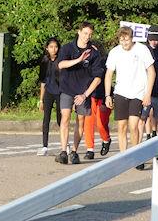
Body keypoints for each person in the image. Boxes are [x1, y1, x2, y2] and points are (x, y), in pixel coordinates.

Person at [104, 27, 156, 170]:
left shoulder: (142, 50)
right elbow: (109, 74)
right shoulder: (114, 52)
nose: (124, 42)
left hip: (138, 93)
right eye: (122, 39)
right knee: (122, 126)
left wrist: (147, 93)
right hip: (121, 92)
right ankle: (123, 157)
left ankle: (136, 156)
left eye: (127, 39)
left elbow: (151, 72)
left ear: (132, 38)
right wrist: (107, 95)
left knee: (134, 126)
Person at [56, 22, 105, 165]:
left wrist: (85, 94)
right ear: (79, 32)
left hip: (83, 92)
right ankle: (63, 151)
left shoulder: (94, 53)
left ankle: (74, 151)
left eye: (90, 34)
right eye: (85, 33)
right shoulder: (67, 48)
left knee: (81, 121)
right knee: (65, 118)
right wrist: (78, 60)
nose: (87, 37)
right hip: (67, 89)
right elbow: (60, 65)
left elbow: (97, 78)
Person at [83, 43, 112, 160]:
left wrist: (108, 96)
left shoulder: (106, 61)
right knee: (88, 122)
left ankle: (106, 139)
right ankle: (89, 149)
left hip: (103, 94)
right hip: (90, 94)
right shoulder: (84, 61)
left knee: (101, 123)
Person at [38, 37, 62, 156]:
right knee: (46, 119)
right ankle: (44, 146)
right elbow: (43, 81)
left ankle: (65, 144)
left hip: (60, 92)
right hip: (49, 92)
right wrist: (41, 100)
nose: (54, 49)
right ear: (47, 48)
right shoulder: (44, 61)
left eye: (56, 46)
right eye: (51, 47)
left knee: (60, 119)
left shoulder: (61, 60)